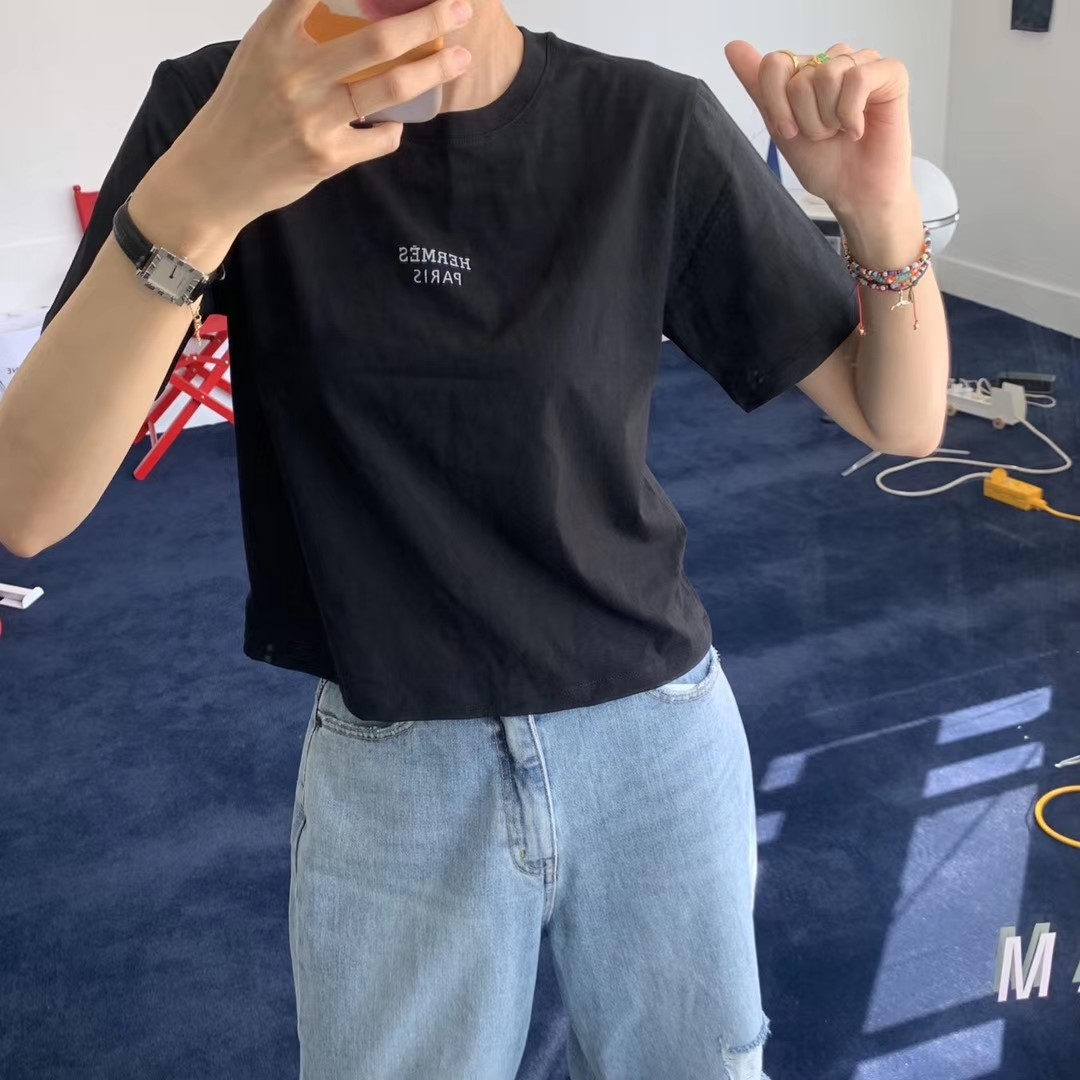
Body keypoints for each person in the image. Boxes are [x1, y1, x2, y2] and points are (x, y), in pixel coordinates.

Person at [0, 1, 949, 1076]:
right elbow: (27, 504)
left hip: (654, 739)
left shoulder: (647, 123)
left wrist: (879, 211)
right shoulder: (221, 108)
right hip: (396, 762)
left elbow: (899, 417)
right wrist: (198, 195)